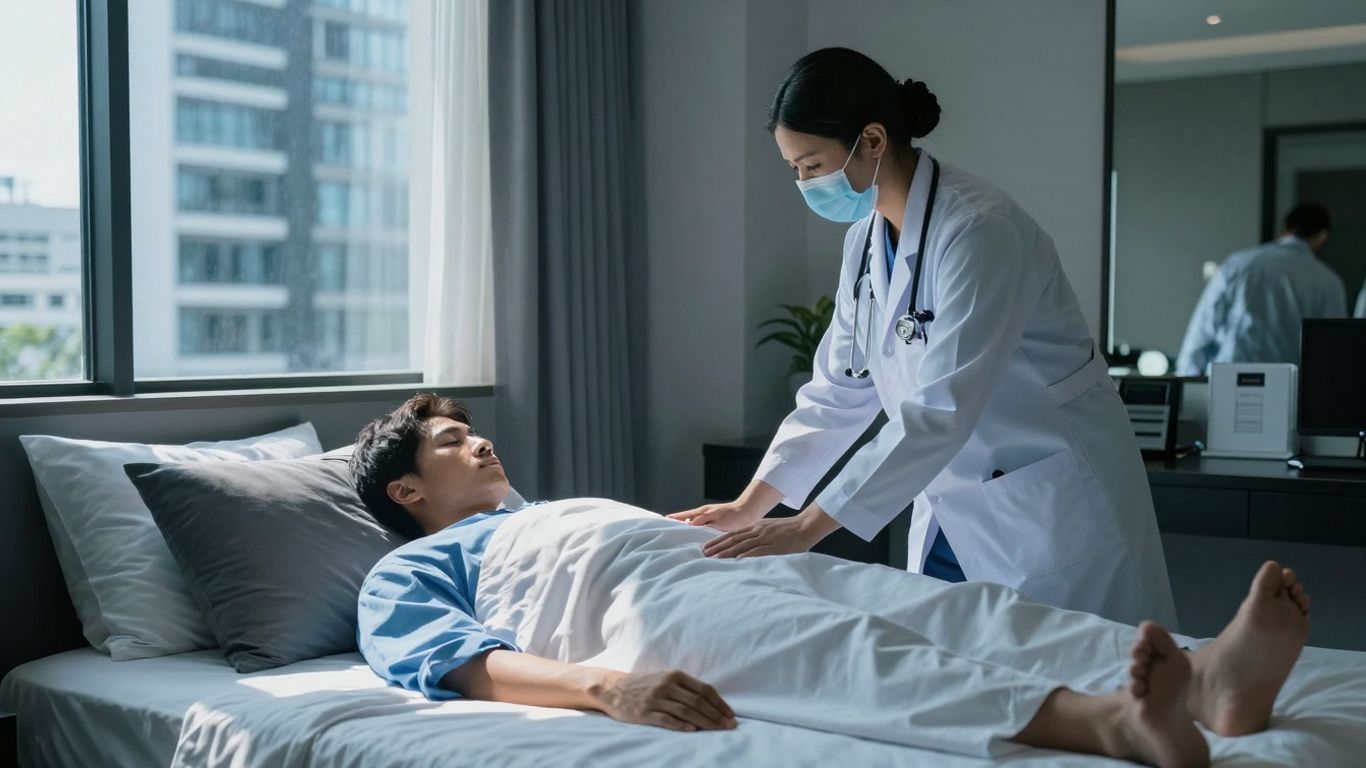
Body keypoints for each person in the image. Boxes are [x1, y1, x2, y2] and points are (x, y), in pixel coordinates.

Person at [349, 393, 1314, 768]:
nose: (478, 438)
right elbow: (466, 666)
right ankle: (1106, 722)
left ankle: (1209, 679)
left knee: (959, 608)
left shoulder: (536, 509)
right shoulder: (405, 572)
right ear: (406, 488)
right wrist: (610, 687)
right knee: (855, 655)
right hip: (636, 611)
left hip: (714, 563)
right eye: (448, 440)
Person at [668, 47, 1174, 628]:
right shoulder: (865, 240)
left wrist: (808, 526)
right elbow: (839, 391)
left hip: (1047, 505)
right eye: (794, 169)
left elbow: (941, 407)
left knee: (1095, 680)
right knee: (965, 678)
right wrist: (749, 504)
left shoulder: (981, 231)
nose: (804, 184)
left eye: (812, 165)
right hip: (951, 507)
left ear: (874, 141)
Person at [1176, 203, 1346, 376]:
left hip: (1230, 378)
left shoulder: (1238, 264)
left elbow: (1204, 326)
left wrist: (1187, 381)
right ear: (1322, 236)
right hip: (1290, 386)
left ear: (1285, 229)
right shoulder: (1328, 282)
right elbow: (1332, 346)